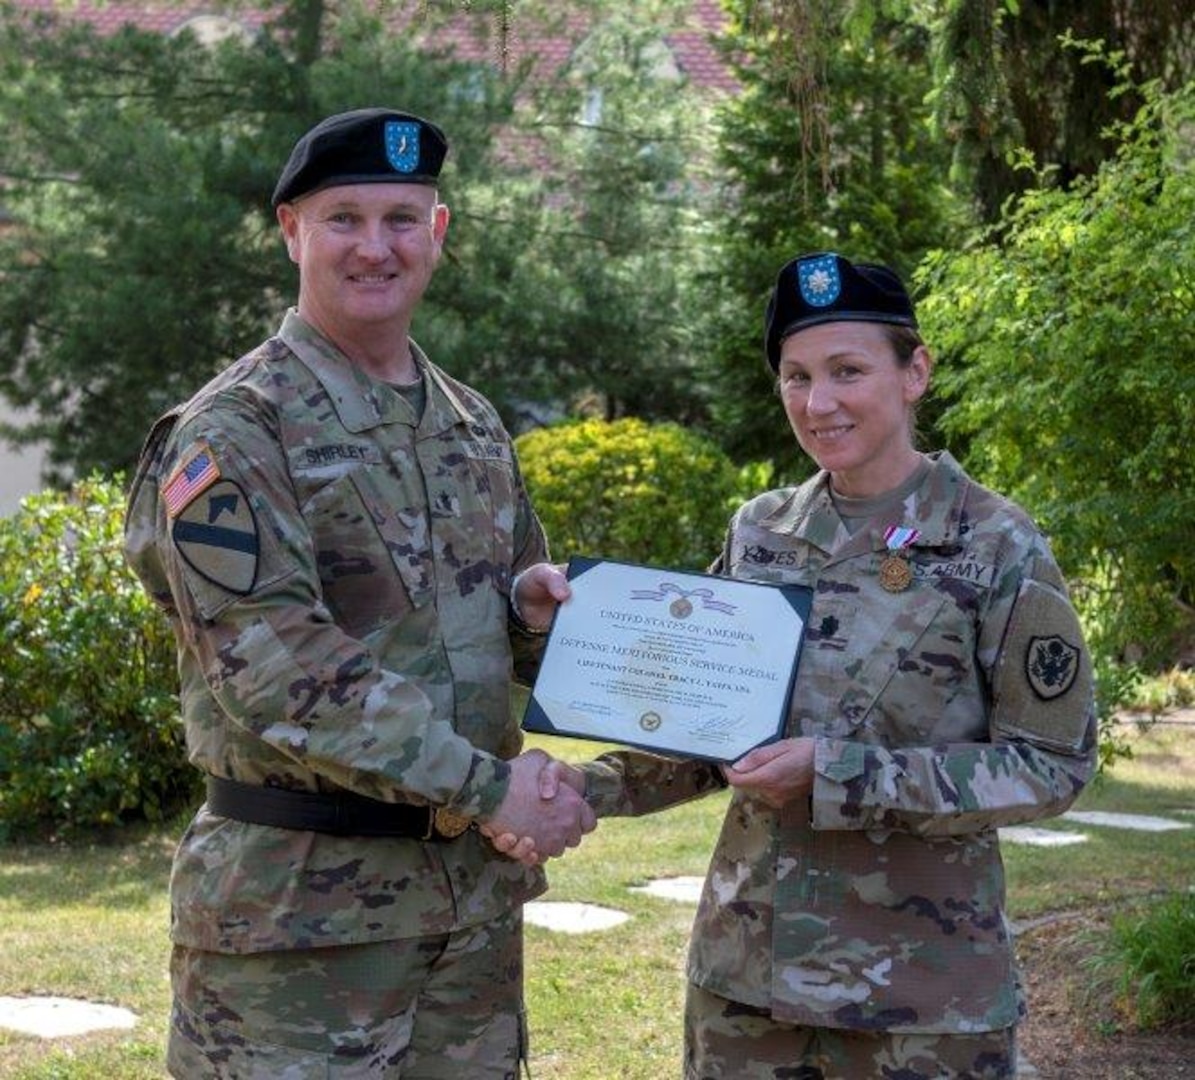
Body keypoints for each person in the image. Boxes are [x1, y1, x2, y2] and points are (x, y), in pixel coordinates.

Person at [504, 252, 1098, 1079]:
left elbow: (1051, 764)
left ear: (913, 371)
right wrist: (584, 786)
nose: (818, 404)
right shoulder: (762, 531)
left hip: (923, 999)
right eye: (795, 376)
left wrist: (840, 775)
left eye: (846, 371)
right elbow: (703, 725)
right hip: (746, 983)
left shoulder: (995, 543)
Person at [123, 106, 596, 1079]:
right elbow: (277, 670)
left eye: (401, 218)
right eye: (344, 218)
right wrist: (491, 787)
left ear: (440, 233)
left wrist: (534, 615)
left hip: (466, 924)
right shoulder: (231, 434)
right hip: (297, 936)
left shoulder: (470, 425)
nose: (374, 247)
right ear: (291, 230)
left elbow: (494, 629)